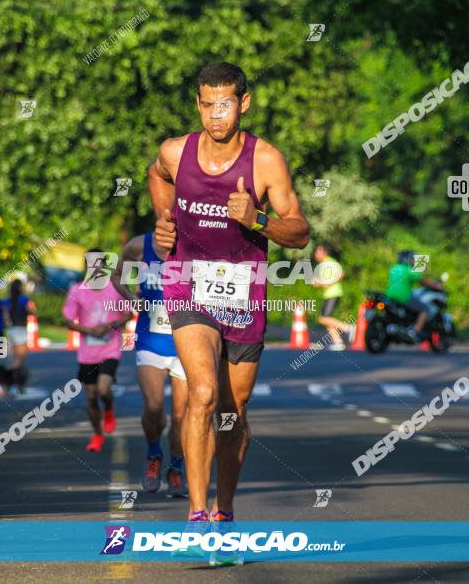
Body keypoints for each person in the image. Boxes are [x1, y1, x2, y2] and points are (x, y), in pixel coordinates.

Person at [149, 61, 310, 565]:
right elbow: (156, 176)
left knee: (231, 414)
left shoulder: (266, 161)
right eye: (205, 104)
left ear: (243, 102)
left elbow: (301, 233)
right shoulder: (176, 152)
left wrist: (257, 219)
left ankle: (224, 511)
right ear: (198, 104)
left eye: (224, 104)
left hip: (244, 294)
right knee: (202, 392)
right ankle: (197, 517)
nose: (215, 115)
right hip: (187, 285)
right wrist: (163, 222)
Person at [112, 233, 188, 497]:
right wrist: (132, 298)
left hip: (187, 344)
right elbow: (115, 275)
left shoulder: (195, 243)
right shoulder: (139, 246)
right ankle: (154, 454)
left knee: (181, 417)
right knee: (154, 408)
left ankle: (176, 470)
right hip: (151, 341)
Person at [62, 250, 131, 452]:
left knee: (103, 389)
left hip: (110, 349)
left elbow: (128, 315)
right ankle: (97, 434)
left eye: (100, 263)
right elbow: (68, 321)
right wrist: (88, 330)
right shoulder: (77, 290)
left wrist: (110, 326)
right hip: (87, 353)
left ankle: (108, 409)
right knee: (91, 396)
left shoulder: (115, 289)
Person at [385, 250, 443, 343]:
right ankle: (414, 331)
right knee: (425, 309)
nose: (413, 261)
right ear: (407, 259)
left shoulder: (394, 268)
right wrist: (436, 285)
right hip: (403, 297)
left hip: (390, 296)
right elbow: (423, 281)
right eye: (412, 259)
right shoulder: (409, 270)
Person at [312, 244, 354, 350]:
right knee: (326, 319)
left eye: (318, 252)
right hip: (329, 294)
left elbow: (341, 273)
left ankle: (348, 328)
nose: (316, 254)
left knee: (324, 318)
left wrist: (328, 283)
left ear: (324, 252)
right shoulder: (323, 264)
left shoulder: (328, 262)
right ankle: (338, 342)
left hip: (333, 293)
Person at [5, 279, 34, 393]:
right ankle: (15, 383)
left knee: (14, 357)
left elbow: (6, 316)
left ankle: (10, 382)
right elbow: (31, 311)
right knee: (20, 358)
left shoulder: (8, 300)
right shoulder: (23, 299)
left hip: (12, 329)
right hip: (21, 329)